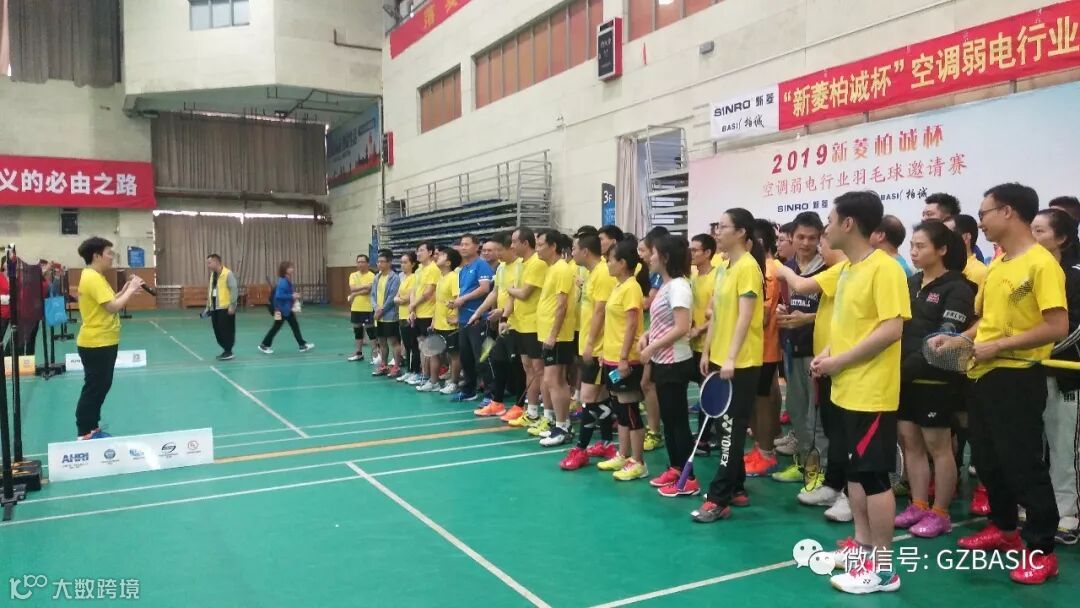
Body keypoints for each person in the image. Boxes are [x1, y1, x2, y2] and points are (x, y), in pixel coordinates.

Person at [934, 183, 1065, 584]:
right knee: (988, 461)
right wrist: (960, 339)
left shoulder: (1041, 264)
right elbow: (987, 323)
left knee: (1023, 463)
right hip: (982, 373)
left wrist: (999, 346)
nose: (981, 222)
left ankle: (1042, 550)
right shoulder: (999, 265)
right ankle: (1005, 529)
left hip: (1017, 376)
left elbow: (1056, 326)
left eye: (984, 213)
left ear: (1007, 212)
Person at [811, 191, 909, 595]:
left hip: (871, 392)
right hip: (845, 389)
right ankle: (863, 548)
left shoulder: (885, 269)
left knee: (873, 478)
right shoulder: (849, 270)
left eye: (830, 221)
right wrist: (828, 353)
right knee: (854, 473)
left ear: (849, 223)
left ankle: (884, 570)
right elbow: (851, 326)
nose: (826, 229)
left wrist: (840, 361)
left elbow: (891, 329)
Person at [894, 222, 974, 539]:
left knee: (938, 446)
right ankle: (918, 503)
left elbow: (945, 335)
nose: (914, 252)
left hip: (935, 379)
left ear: (941, 249)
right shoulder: (911, 282)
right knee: (910, 442)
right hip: (904, 378)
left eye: (921, 246)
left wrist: (907, 367)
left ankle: (940, 513)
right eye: (912, 245)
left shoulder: (958, 288)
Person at [692, 208, 765, 523]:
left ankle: (719, 498)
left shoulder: (748, 268)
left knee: (730, 431)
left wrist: (732, 357)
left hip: (742, 362)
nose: (717, 232)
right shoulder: (724, 267)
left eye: (722, 227)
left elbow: (745, 317)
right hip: (720, 358)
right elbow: (718, 314)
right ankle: (736, 486)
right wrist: (708, 351)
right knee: (725, 428)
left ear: (741, 232)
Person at [1030, 207, 1080, 546]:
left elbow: (1072, 327)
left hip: (1065, 375)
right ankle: (1041, 507)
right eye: (1031, 230)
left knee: (1064, 447)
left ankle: (1068, 513)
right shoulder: (1027, 272)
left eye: (1040, 231)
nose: (1033, 237)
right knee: (1036, 446)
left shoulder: (1074, 277)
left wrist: (1037, 348)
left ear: (1061, 238)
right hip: (1029, 373)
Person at [640, 234, 698, 496]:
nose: (649, 257)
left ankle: (689, 479)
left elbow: (682, 327)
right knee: (668, 419)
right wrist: (647, 335)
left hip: (675, 362)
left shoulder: (679, 287)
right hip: (662, 361)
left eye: (653, 253)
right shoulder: (665, 286)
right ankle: (675, 468)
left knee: (678, 422)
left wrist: (652, 347)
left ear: (664, 257)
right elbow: (663, 323)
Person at [774, 211, 828, 486]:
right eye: (801, 237)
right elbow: (786, 302)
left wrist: (807, 318)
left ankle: (819, 470)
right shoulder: (788, 267)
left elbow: (836, 312)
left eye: (812, 238)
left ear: (820, 239)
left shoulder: (828, 269)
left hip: (817, 352)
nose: (806, 243)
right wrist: (781, 310)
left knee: (814, 417)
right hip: (791, 347)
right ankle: (803, 463)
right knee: (796, 411)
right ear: (791, 237)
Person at [73, 237, 145, 440]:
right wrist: (131, 290)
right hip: (97, 342)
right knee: (94, 388)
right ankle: (84, 431)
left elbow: (109, 300)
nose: (111, 257)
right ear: (97, 256)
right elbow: (112, 307)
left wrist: (125, 290)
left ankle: (92, 428)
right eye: (109, 253)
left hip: (104, 341)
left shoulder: (95, 276)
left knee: (101, 386)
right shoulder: (92, 277)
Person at [560, 232, 618, 468]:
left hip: (598, 347)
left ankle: (581, 449)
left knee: (587, 398)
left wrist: (591, 344)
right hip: (591, 344)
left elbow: (601, 312)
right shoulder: (592, 273)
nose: (572, 253)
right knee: (600, 397)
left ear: (585, 251)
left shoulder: (602, 274)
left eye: (574, 248)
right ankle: (607, 443)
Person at [596, 238, 648, 481]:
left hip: (627, 359)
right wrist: (606, 353)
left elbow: (631, 325)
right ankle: (623, 454)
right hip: (612, 357)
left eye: (610, 260)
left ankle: (638, 462)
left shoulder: (631, 288)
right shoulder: (618, 286)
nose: (607, 263)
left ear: (623, 263)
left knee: (630, 410)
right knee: (620, 408)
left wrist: (624, 357)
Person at [744, 219, 783, 477]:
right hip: (758, 349)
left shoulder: (768, 270)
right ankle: (760, 448)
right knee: (760, 399)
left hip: (765, 349)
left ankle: (766, 453)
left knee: (762, 402)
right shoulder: (759, 268)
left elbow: (763, 316)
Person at [470, 232, 523, 417]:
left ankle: (520, 406)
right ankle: (497, 403)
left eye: (500, 250)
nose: (497, 254)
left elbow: (517, 295)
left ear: (511, 248)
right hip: (503, 324)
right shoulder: (501, 268)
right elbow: (495, 293)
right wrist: (479, 313)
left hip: (517, 323)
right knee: (498, 360)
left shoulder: (520, 266)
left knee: (518, 367)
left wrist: (503, 313)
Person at [534, 229, 576, 445]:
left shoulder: (561, 269)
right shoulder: (552, 269)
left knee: (555, 380)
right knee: (552, 380)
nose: (537, 249)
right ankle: (562, 424)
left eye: (540, 244)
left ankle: (562, 428)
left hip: (558, 336)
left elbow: (562, 306)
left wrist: (552, 335)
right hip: (548, 334)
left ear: (553, 247)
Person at [505, 227, 547, 429]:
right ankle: (531, 412)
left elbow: (524, 294)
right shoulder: (521, 264)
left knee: (539, 370)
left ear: (525, 243)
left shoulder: (537, 263)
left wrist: (510, 289)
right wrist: (506, 316)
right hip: (521, 325)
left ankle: (547, 415)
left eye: (514, 242)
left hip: (534, 325)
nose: (512, 246)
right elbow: (516, 294)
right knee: (527, 367)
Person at [451, 234, 493, 402]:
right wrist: (456, 303)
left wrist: (463, 299)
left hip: (479, 319)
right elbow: (464, 292)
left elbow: (484, 289)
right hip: (464, 320)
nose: (463, 247)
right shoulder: (463, 270)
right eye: (462, 244)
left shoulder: (481, 265)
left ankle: (490, 394)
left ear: (477, 247)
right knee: (466, 358)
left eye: (467, 244)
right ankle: (469, 390)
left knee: (482, 358)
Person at [259, 261, 315, 355]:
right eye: (290, 267)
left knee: (292, 326)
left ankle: (302, 345)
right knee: (277, 327)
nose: (292, 269)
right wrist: (291, 296)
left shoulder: (286, 280)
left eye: (292, 267)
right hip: (281, 310)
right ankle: (264, 345)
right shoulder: (283, 281)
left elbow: (285, 293)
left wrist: (293, 295)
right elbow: (279, 295)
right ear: (285, 270)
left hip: (285, 309)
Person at [429, 246, 462, 394]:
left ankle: (454, 383)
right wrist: (433, 320)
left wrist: (457, 317)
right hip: (438, 323)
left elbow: (458, 299)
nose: (437, 256)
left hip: (450, 325)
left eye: (442, 255)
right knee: (435, 353)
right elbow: (439, 302)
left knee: (454, 355)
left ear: (448, 263)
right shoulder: (441, 278)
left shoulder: (453, 277)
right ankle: (434, 382)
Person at [409, 242, 441, 390]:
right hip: (418, 313)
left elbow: (428, 292)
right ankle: (424, 375)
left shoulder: (433, 269)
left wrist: (413, 304)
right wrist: (412, 309)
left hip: (429, 313)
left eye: (421, 250)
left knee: (430, 349)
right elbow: (414, 290)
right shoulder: (418, 270)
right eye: (417, 250)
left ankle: (431, 379)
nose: (418, 253)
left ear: (430, 252)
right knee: (421, 345)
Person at [371, 249, 402, 377]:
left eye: (382, 261)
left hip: (390, 316)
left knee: (394, 342)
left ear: (389, 263)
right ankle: (383, 365)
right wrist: (376, 308)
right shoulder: (377, 277)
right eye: (378, 262)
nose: (379, 264)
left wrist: (381, 310)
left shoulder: (394, 278)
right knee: (382, 342)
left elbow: (391, 298)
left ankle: (396, 367)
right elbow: (372, 295)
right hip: (378, 316)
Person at [203, 253, 238, 361]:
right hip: (214, 308)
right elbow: (211, 291)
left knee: (226, 330)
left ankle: (228, 351)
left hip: (225, 308)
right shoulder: (213, 275)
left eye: (209, 263)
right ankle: (225, 349)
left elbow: (234, 289)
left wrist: (232, 305)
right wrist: (208, 307)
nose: (208, 265)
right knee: (217, 330)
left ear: (216, 262)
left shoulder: (228, 274)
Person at [395, 252, 420, 384]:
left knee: (413, 345)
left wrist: (400, 299)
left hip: (410, 316)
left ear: (413, 264)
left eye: (405, 262)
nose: (402, 265)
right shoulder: (403, 278)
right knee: (407, 345)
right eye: (401, 262)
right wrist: (399, 299)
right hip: (401, 315)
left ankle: (415, 371)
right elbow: (397, 296)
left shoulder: (414, 277)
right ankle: (409, 371)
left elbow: (407, 297)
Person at [347, 254, 376, 362]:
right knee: (357, 331)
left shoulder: (372, 276)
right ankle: (359, 353)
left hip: (368, 308)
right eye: (358, 262)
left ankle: (376, 355)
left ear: (367, 263)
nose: (360, 264)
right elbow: (352, 288)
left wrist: (355, 293)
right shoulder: (353, 275)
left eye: (362, 262)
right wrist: (364, 287)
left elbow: (368, 291)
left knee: (371, 331)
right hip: (355, 307)